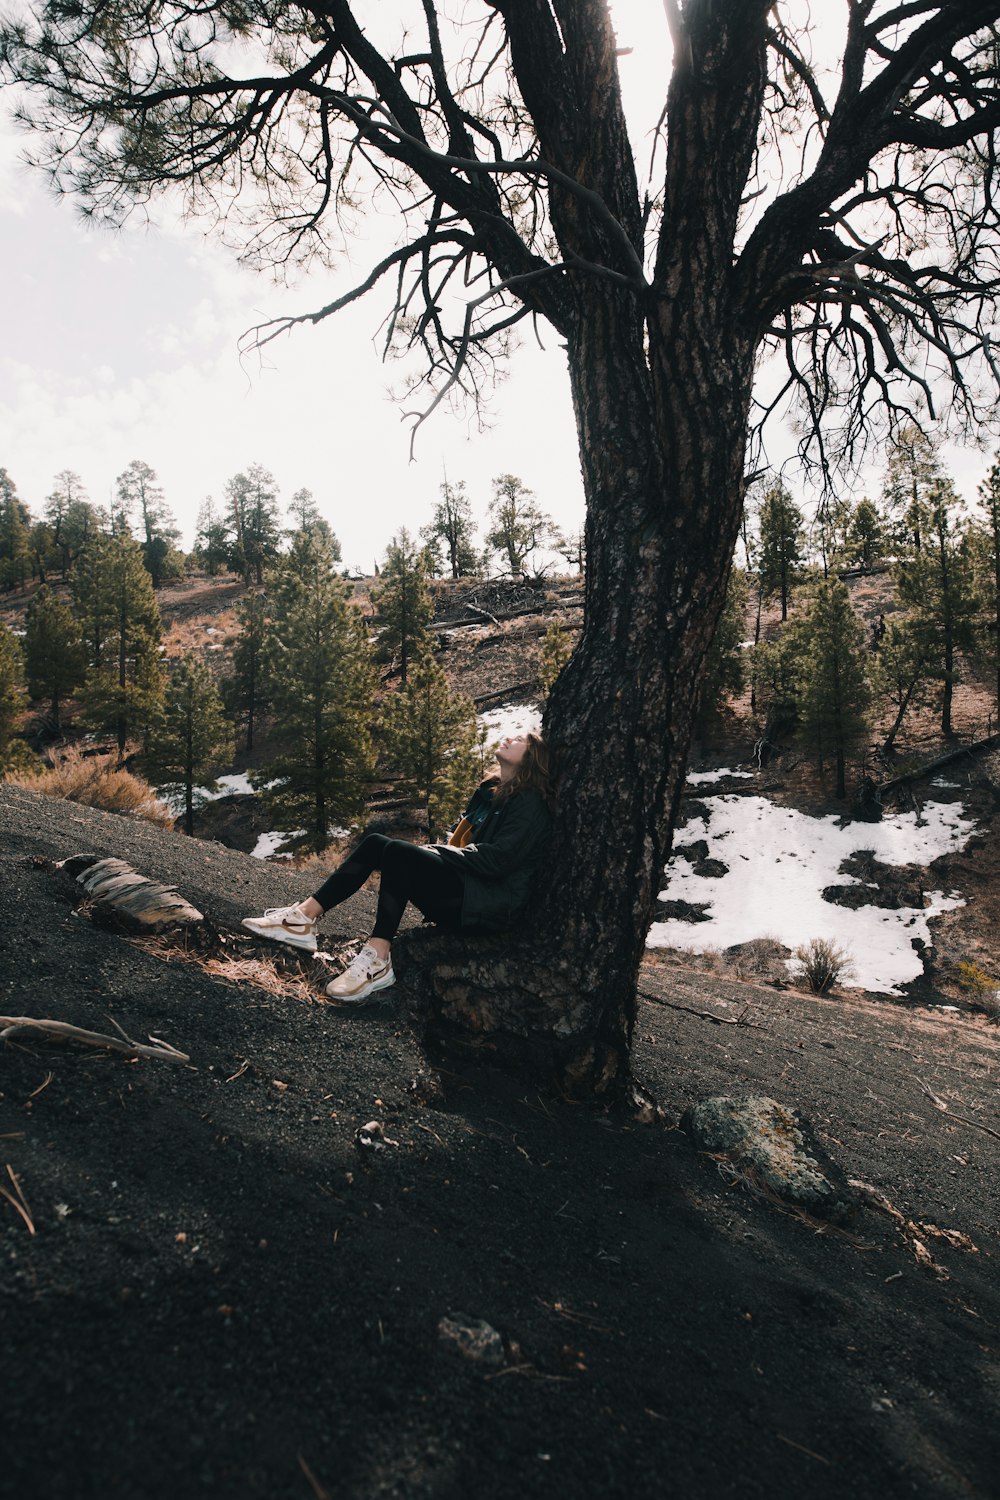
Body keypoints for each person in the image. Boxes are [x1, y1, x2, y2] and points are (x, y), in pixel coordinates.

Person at [241, 732, 553, 1004]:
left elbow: (496, 861)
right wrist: (436, 855)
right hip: (468, 892)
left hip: (487, 906)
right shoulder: (493, 793)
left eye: (521, 741)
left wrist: (433, 852)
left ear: (532, 758)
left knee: (400, 853)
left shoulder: (529, 802)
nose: (511, 739)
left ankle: (378, 959)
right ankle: (302, 919)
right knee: (378, 843)